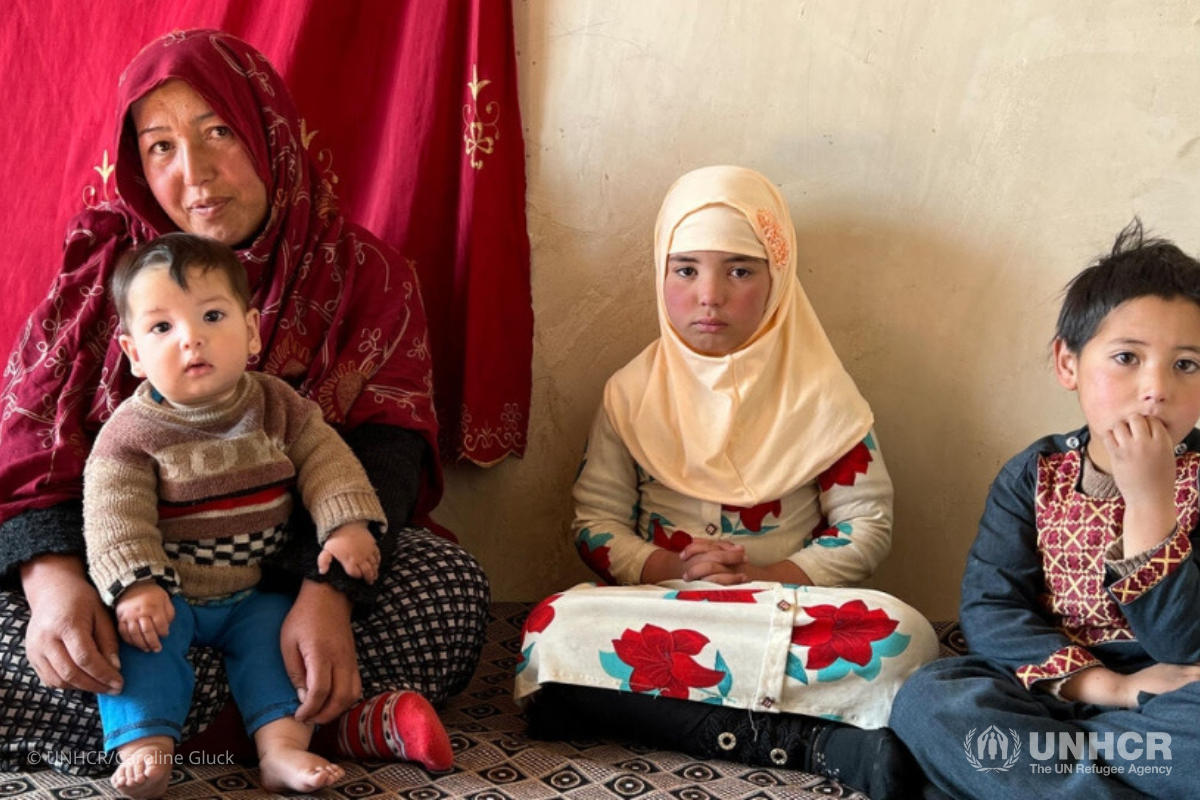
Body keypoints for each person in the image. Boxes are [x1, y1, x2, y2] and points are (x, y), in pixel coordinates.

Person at [0, 29, 488, 776]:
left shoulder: (362, 275)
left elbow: (383, 453)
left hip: (284, 584)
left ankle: (162, 728)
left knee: (449, 587)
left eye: (218, 131)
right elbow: (34, 453)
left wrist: (325, 595)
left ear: (269, 134)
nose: (194, 174)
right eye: (160, 146)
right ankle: (309, 723)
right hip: (133, 596)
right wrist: (56, 584)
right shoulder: (101, 276)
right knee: (41, 641)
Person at [515, 165, 938, 800]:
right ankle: (817, 741)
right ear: (660, 274)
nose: (709, 294)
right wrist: (674, 570)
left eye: (740, 270)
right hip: (665, 611)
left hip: (784, 609)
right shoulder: (631, 395)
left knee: (907, 639)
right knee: (552, 628)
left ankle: (695, 722)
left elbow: (866, 524)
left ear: (779, 279)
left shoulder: (823, 397)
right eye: (685, 269)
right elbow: (595, 524)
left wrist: (772, 578)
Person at [86, 232, 416, 797]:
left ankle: (282, 749)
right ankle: (144, 748)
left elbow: (326, 461)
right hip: (172, 595)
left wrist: (347, 526)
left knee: (280, 649)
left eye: (212, 315)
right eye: (162, 327)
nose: (192, 339)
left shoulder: (276, 405)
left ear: (252, 330)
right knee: (139, 648)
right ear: (134, 353)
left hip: (256, 591)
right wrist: (136, 585)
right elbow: (115, 515)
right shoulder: (131, 434)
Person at [890, 221, 1200, 799]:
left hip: (1175, 698)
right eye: (1128, 357)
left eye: (1186, 364)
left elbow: (1186, 647)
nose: (1156, 388)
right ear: (1067, 363)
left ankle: (1033, 779)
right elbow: (991, 609)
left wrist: (1151, 501)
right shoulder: (1033, 475)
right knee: (932, 699)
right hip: (1052, 690)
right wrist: (1111, 688)